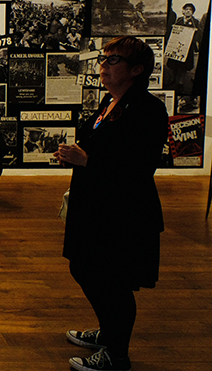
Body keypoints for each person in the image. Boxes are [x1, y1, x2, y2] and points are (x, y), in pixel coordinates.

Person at [53, 36, 168, 371]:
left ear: (136, 70)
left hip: (123, 211)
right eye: (103, 60)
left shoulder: (147, 110)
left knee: (110, 280)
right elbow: (99, 147)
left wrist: (88, 161)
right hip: (95, 206)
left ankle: (117, 354)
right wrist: (74, 157)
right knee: (85, 268)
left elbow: (140, 166)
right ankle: (109, 331)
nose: (103, 67)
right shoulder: (111, 102)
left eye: (112, 60)